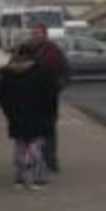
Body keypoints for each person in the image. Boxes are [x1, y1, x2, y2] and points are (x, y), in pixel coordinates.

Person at [0, 44, 57, 190]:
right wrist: (51, 115)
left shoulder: (8, 73)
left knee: (20, 146)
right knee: (35, 146)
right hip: (39, 115)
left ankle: (19, 179)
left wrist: (9, 114)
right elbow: (51, 97)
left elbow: (2, 98)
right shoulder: (43, 72)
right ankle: (37, 179)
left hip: (16, 116)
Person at [28, 24, 68, 173]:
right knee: (31, 130)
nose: (35, 36)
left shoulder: (54, 50)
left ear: (45, 35)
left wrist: (58, 87)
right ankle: (33, 159)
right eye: (33, 33)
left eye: (38, 33)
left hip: (49, 97)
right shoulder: (27, 50)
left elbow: (66, 71)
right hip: (30, 97)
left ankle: (50, 160)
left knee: (49, 129)